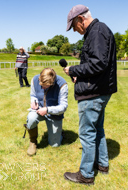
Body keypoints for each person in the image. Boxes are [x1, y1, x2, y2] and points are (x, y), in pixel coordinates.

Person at [63, 4, 117, 185]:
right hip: (99, 89)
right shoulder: (99, 30)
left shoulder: (97, 32)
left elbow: (98, 63)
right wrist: (80, 75)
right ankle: (102, 165)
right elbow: (97, 65)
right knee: (98, 130)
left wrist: (73, 69)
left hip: (93, 94)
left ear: (81, 19)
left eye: (74, 26)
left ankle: (86, 174)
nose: (74, 31)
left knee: (87, 133)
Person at [24, 68, 68, 156]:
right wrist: (34, 102)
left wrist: (48, 110)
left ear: (52, 83)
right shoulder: (34, 79)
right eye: (41, 84)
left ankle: (59, 134)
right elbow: (33, 95)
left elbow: (63, 107)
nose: (42, 88)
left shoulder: (62, 84)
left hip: (54, 114)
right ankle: (33, 141)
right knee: (31, 118)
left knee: (55, 144)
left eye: (45, 86)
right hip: (38, 110)